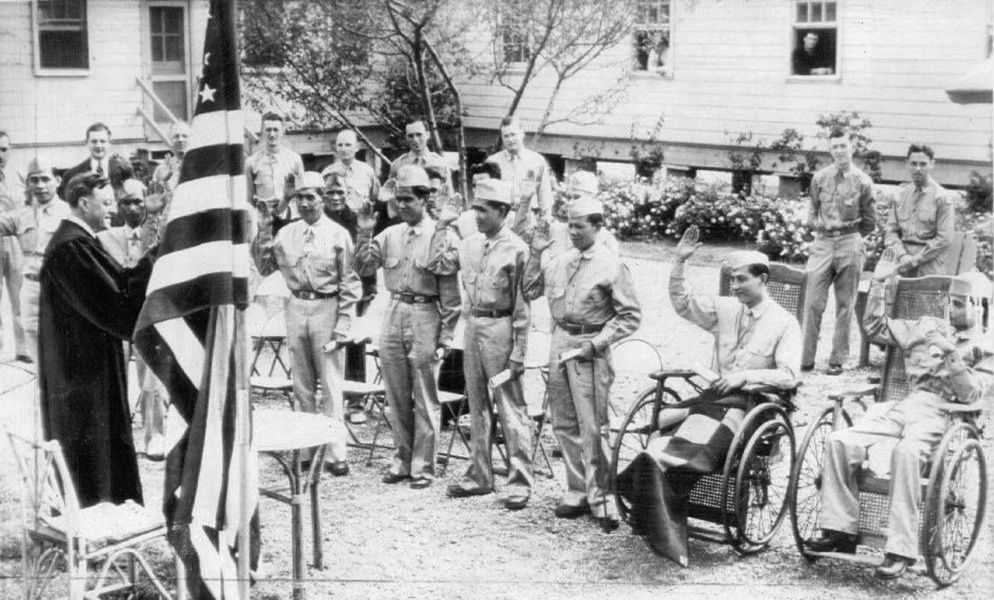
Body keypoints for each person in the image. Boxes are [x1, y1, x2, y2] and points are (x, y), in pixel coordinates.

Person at [615, 228, 801, 566]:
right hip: (714, 397)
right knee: (666, 421)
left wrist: (746, 377)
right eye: (732, 280)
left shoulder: (785, 323)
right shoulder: (726, 309)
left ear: (763, 279)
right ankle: (656, 469)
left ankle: (659, 468)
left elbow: (790, 376)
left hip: (753, 404)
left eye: (741, 280)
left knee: (696, 434)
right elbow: (684, 305)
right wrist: (680, 262)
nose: (734, 286)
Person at [804, 265, 988, 579]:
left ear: (980, 306)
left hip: (946, 415)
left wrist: (952, 357)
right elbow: (874, 327)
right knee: (841, 441)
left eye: (961, 303)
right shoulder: (925, 326)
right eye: (951, 302)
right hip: (907, 405)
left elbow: (973, 396)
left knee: (905, 453)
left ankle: (900, 549)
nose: (952, 308)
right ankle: (840, 530)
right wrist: (877, 283)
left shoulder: (986, 346)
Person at [522, 196, 641, 531]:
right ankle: (576, 491)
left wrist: (598, 343)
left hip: (590, 347)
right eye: (569, 225)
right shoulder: (560, 261)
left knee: (593, 425)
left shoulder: (611, 265)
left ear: (598, 227)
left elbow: (630, 316)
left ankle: (602, 496)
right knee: (563, 422)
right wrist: (535, 253)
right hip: (560, 342)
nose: (572, 232)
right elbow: (529, 291)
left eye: (580, 225)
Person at [39, 172, 153, 508]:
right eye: (105, 203)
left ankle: (102, 509)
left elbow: (115, 286)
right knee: (91, 448)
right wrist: (158, 256)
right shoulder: (72, 246)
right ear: (83, 202)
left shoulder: (76, 241)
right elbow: (116, 298)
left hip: (83, 365)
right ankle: (96, 516)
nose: (111, 211)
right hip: (80, 372)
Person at [427, 178, 534, 510]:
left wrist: (519, 351)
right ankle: (480, 475)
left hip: (502, 328)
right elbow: (437, 264)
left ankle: (519, 482)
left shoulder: (517, 249)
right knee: (476, 405)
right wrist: (442, 225)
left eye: (484, 210)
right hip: (472, 327)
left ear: (502, 211)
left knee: (510, 405)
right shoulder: (469, 244)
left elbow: (523, 305)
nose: (478, 215)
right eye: (475, 209)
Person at [355, 165, 461, 489]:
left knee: (425, 393)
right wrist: (363, 232)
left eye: (408, 200)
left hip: (425, 313)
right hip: (393, 310)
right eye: (398, 200)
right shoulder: (389, 235)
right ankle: (401, 459)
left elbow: (450, 292)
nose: (402, 206)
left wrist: (446, 334)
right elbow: (362, 266)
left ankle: (423, 466)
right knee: (396, 392)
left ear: (424, 199)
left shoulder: (440, 234)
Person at [253, 171, 361, 476]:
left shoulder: (338, 234)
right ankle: (305, 449)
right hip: (296, 305)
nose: (305, 203)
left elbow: (350, 282)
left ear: (323, 199)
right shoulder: (287, 233)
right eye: (299, 197)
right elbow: (264, 265)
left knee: (329, 382)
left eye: (310, 196)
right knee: (301, 384)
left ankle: (336, 453)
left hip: (327, 306)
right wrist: (264, 226)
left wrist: (343, 324)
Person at [97, 179, 168, 461]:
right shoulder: (106, 238)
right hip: (117, 318)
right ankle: (117, 437)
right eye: (127, 201)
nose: (133, 207)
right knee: (112, 377)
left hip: (148, 316)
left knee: (151, 381)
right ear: (118, 206)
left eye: (139, 201)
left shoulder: (158, 235)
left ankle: (155, 436)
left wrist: (155, 216)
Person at [801, 128, 876, 375]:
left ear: (852, 147)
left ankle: (837, 359)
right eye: (835, 146)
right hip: (822, 243)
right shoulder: (819, 178)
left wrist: (850, 237)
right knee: (812, 302)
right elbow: (812, 210)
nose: (839, 151)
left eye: (843, 146)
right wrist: (821, 226)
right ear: (830, 149)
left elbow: (869, 220)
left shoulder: (863, 181)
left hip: (849, 243)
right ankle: (805, 357)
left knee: (846, 304)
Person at [19, 157, 71, 365]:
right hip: (30, 286)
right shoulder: (23, 214)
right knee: (33, 342)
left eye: (45, 179)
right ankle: (40, 395)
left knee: (59, 347)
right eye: (34, 180)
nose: (39, 185)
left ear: (57, 180)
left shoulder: (68, 213)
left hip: (56, 288)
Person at [883, 144, 955, 276]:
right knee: (881, 287)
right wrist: (902, 256)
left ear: (932, 164)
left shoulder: (942, 198)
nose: (917, 169)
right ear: (907, 164)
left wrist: (914, 261)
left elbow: (944, 239)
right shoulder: (900, 195)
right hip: (900, 260)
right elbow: (890, 232)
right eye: (913, 164)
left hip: (928, 263)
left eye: (923, 164)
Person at [486, 116, 553, 233]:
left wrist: (546, 219)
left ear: (522, 134)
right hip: (501, 219)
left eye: (513, 134)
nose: (510, 140)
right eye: (506, 136)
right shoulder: (493, 162)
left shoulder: (537, 161)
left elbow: (545, 194)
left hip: (528, 220)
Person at [246, 112, 305, 224]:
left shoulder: (294, 159)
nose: (272, 134)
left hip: (290, 217)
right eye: (268, 130)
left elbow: (302, 192)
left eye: (276, 130)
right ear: (262, 131)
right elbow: (249, 199)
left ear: (283, 131)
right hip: (264, 218)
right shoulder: (252, 162)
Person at [546, 170, 619, 260]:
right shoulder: (557, 231)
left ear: (592, 199)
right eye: (569, 197)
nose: (571, 202)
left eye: (577, 197)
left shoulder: (606, 240)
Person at [0, 131, 28, 361]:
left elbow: (28, 207)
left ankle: (23, 347)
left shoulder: (19, 176)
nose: (0, 155)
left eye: (3, 149)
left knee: (19, 293)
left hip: (15, 240)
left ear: (11, 150)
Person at [320, 129, 380, 213]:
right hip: (337, 220)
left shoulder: (367, 171)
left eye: (348, 145)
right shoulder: (327, 172)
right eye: (340, 145)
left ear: (357, 147)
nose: (344, 149)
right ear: (336, 148)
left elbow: (374, 197)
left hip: (360, 219)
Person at [389, 120, 452, 194]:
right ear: (406, 138)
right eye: (410, 136)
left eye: (419, 134)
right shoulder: (398, 165)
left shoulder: (440, 163)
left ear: (428, 135)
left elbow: (449, 195)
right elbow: (391, 196)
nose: (415, 140)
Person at [57, 122, 116, 199]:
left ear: (109, 143)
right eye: (94, 141)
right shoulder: (72, 175)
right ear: (86, 143)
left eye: (102, 141)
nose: (98, 145)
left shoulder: (123, 171)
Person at [151, 121, 191, 197]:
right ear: (171, 140)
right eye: (176, 136)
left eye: (184, 136)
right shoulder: (162, 168)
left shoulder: (197, 164)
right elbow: (156, 196)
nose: (180, 140)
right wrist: (164, 180)